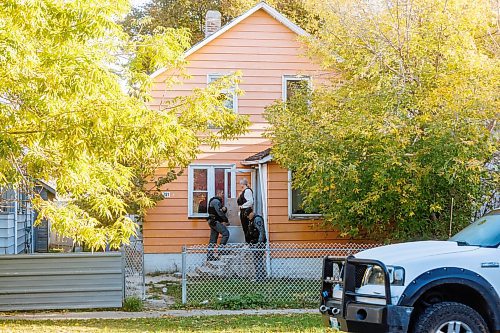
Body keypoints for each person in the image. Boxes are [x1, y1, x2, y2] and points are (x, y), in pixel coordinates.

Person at [207, 196, 230, 261]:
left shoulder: (213, 201)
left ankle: (210, 257)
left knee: (213, 240)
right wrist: (226, 220)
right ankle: (221, 251)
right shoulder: (216, 201)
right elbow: (219, 212)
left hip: (212, 221)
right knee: (226, 233)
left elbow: (218, 211)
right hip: (214, 221)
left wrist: (224, 210)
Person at [247, 209, 267, 281]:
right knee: (257, 260)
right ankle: (260, 276)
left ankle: (260, 277)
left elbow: (261, 231)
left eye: (248, 215)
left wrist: (260, 242)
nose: (247, 217)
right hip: (254, 243)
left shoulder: (257, 219)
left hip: (258, 243)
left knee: (258, 260)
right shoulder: (252, 220)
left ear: (251, 213)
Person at [237, 178, 254, 243]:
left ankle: (249, 243)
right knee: (245, 228)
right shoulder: (244, 191)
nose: (240, 185)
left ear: (243, 184)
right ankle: (247, 242)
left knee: (247, 228)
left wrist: (242, 206)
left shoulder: (247, 191)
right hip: (243, 211)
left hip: (246, 211)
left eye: (241, 184)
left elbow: (251, 201)